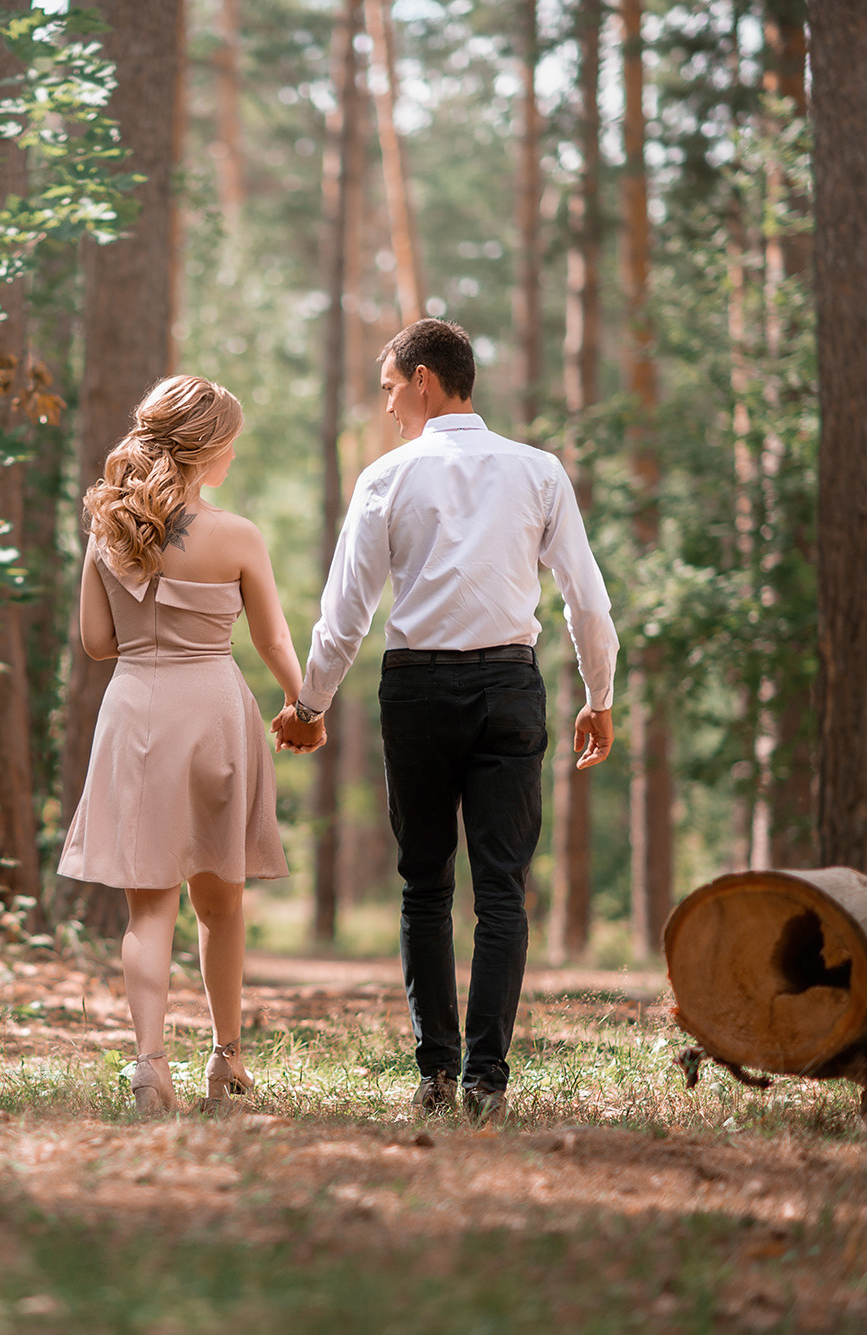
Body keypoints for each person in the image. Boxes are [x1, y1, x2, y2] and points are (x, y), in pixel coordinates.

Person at [272, 319, 618, 1124]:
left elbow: (345, 615)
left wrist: (309, 707)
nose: (389, 406)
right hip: (508, 687)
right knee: (502, 888)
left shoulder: (386, 477)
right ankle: (485, 1082)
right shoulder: (539, 472)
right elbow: (588, 600)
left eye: (391, 387)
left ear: (424, 379)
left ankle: (434, 1074)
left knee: (424, 885)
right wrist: (599, 698)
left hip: (419, 691)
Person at [59, 374, 313, 1116]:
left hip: (138, 709)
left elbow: (96, 642)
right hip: (213, 710)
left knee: (149, 909)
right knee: (221, 901)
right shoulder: (237, 535)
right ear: (209, 447)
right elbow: (269, 635)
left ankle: (148, 1065)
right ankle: (226, 1059)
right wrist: (304, 702)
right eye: (231, 441)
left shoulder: (111, 529)